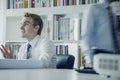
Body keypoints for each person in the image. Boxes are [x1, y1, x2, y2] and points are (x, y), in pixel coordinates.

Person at [81, 0, 120, 67]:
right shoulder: (94, 8)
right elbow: (86, 36)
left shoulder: (112, 14)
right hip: (99, 56)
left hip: (114, 56)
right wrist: (89, 60)